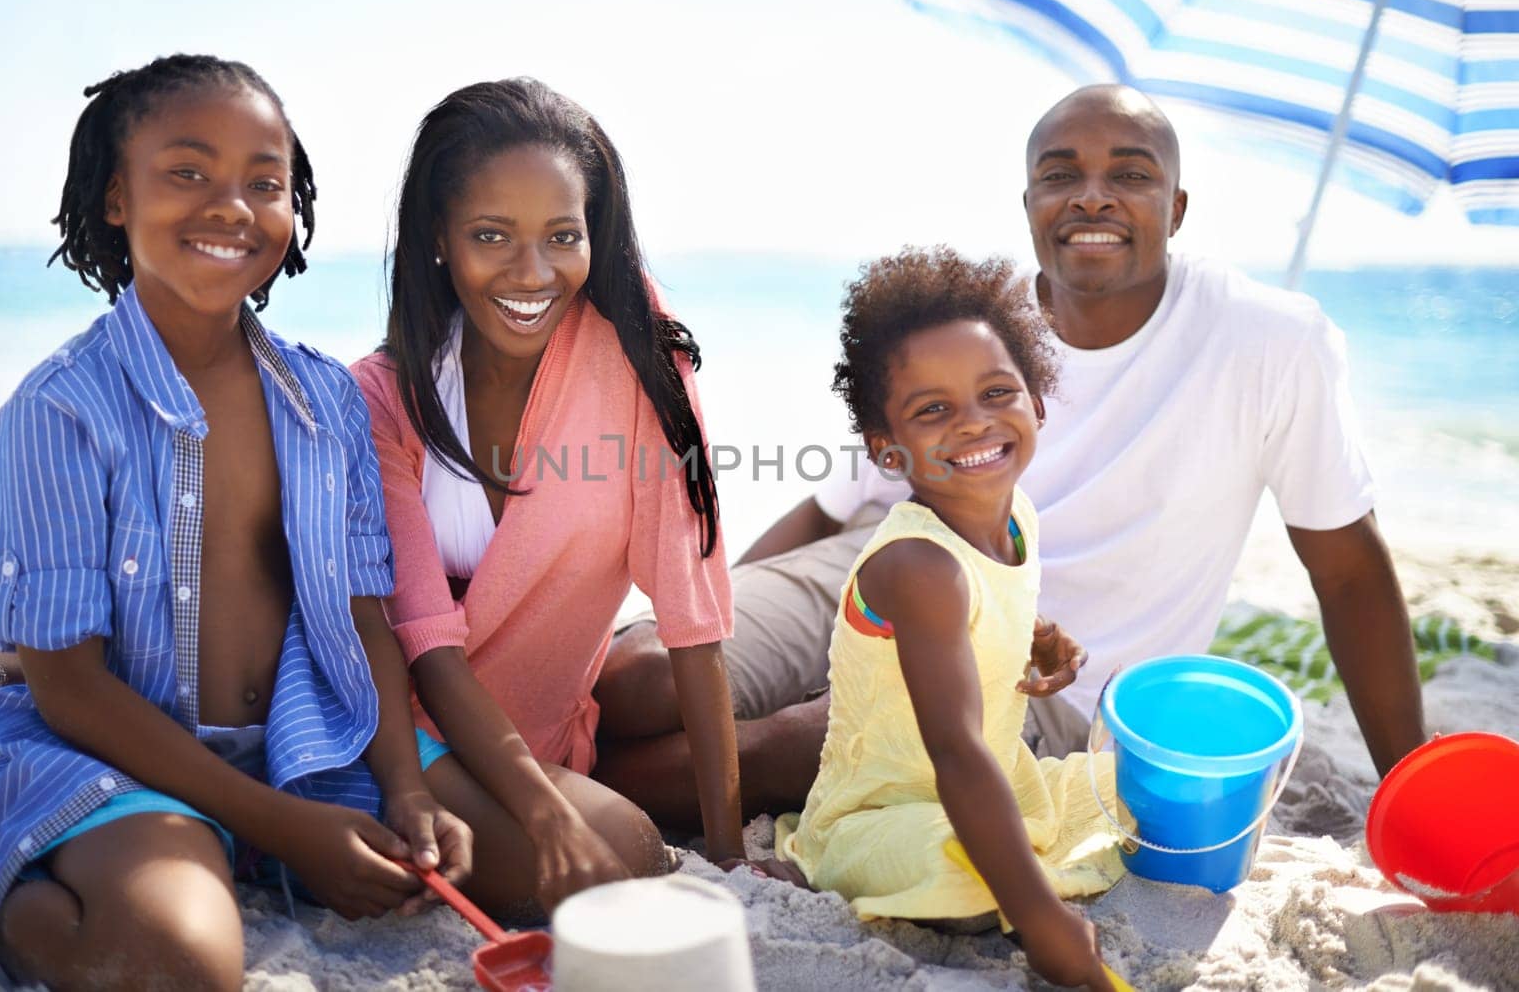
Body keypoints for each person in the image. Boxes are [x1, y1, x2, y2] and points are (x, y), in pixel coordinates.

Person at [601, 84, 1425, 820]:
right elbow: (831, 507)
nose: (1092, 198)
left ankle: (568, 785)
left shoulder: (1273, 342)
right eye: (1062, 175)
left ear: (1176, 208)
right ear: (1029, 201)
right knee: (638, 676)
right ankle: (566, 768)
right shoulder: (976, 324)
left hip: (1056, 683)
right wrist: (710, 626)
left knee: (786, 741)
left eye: (1131, 175)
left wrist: (1409, 786)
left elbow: (1349, 571)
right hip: (888, 566)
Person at [0, 55, 475, 990]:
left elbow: (364, 615)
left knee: (604, 848)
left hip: (303, 745)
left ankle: (225, 847)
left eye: (265, 183)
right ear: (116, 197)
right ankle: (15, 879)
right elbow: (68, 690)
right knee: (184, 961)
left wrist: (404, 791)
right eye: (188, 172)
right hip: (119, 763)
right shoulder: (59, 414)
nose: (232, 206)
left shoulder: (325, 400)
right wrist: (286, 833)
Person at [349, 78, 770, 904]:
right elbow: (426, 647)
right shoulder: (381, 397)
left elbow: (691, 603)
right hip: (407, 739)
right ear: (440, 236)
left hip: (547, 733)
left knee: (643, 839)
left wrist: (727, 850)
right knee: (623, 858)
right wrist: (546, 818)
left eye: (561, 235)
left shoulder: (638, 359)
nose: (533, 271)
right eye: (491, 235)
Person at [775, 247, 1121, 992]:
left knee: (1129, 788)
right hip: (889, 814)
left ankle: (1014, 859)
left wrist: (1037, 634)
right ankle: (1006, 883)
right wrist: (1044, 925)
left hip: (995, 777)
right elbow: (956, 752)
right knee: (971, 875)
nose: (973, 425)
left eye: (997, 393)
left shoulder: (1015, 513)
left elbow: (991, 599)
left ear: (1038, 402)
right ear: (885, 449)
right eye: (933, 410)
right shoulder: (918, 567)